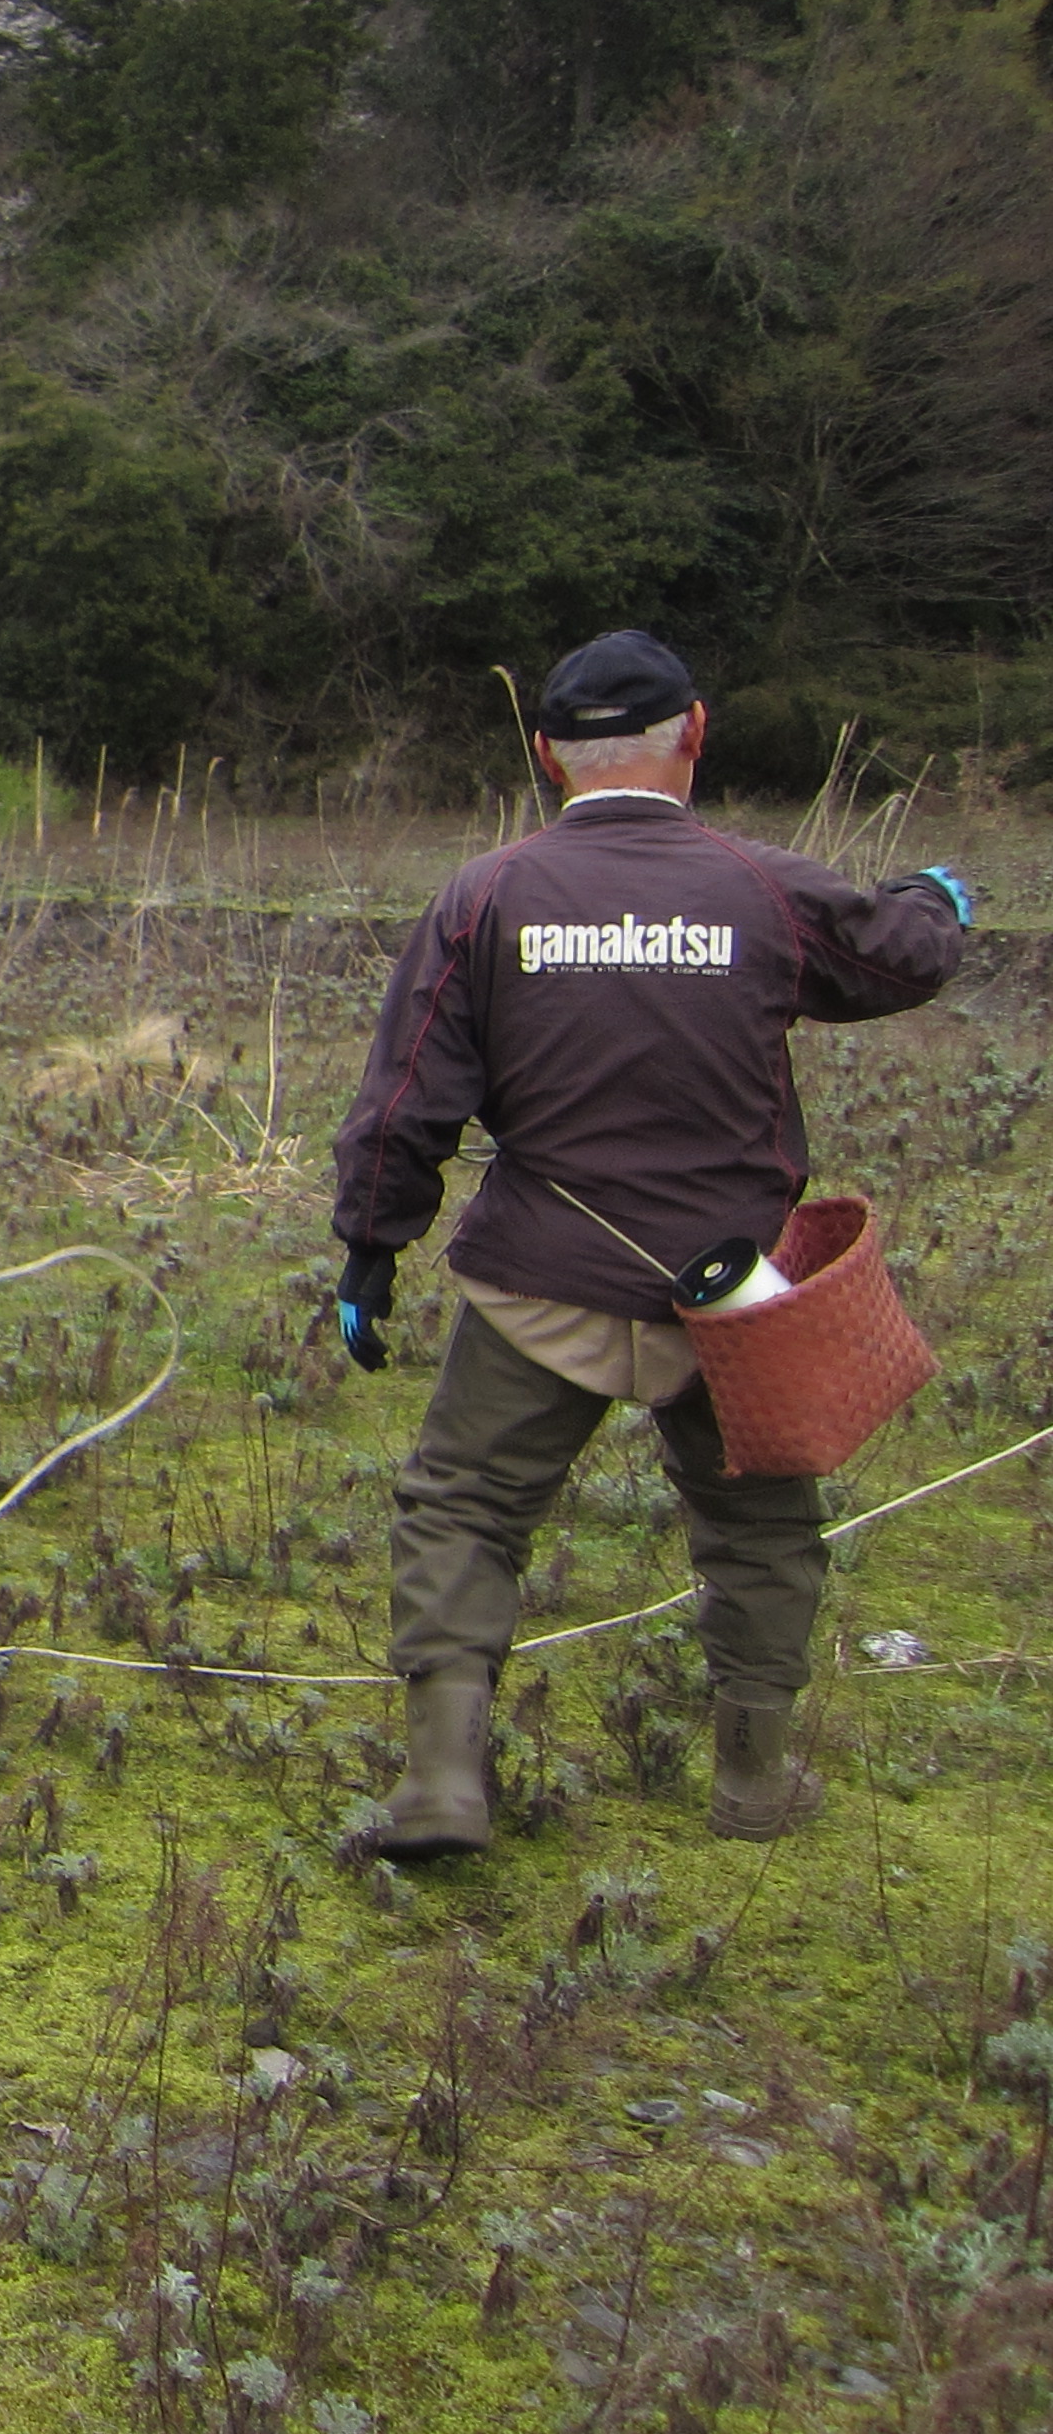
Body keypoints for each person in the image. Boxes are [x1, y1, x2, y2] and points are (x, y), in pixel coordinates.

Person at [331, 629, 969, 1855]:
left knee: (463, 1508)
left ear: (545, 756)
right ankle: (753, 1780)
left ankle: (441, 1785)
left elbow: (405, 1097)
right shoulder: (762, 885)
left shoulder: (486, 895)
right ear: (694, 733)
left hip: (541, 1280)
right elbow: (902, 957)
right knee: (756, 1528)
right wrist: (930, 901)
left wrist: (371, 1251)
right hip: (734, 1293)